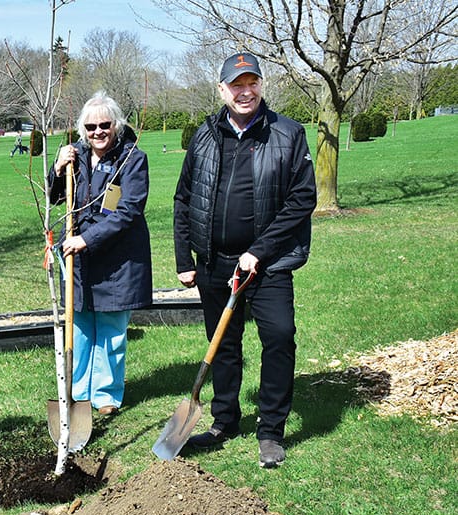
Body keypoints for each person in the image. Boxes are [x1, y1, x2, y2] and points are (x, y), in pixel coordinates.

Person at [173, 52, 316, 468]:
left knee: (278, 336)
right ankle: (224, 420)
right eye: (236, 84)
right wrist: (186, 258)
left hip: (268, 265)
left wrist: (259, 251)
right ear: (222, 90)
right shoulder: (204, 136)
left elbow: (302, 198)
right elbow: (184, 198)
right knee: (225, 345)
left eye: (251, 82)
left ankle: (270, 430)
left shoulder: (288, 134)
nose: (245, 91)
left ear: (261, 86)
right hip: (215, 262)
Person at [49, 91, 152, 416]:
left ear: (116, 124)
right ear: (82, 129)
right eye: (91, 127)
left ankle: (105, 395)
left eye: (104, 125)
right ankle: (78, 394)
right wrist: (57, 168)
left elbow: (128, 211)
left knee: (110, 331)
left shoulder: (133, 158)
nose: (97, 132)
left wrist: (86, 240)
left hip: (117, 259)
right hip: (79, 260)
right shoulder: (75, 154)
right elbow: (54, 197)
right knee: (79, 329)